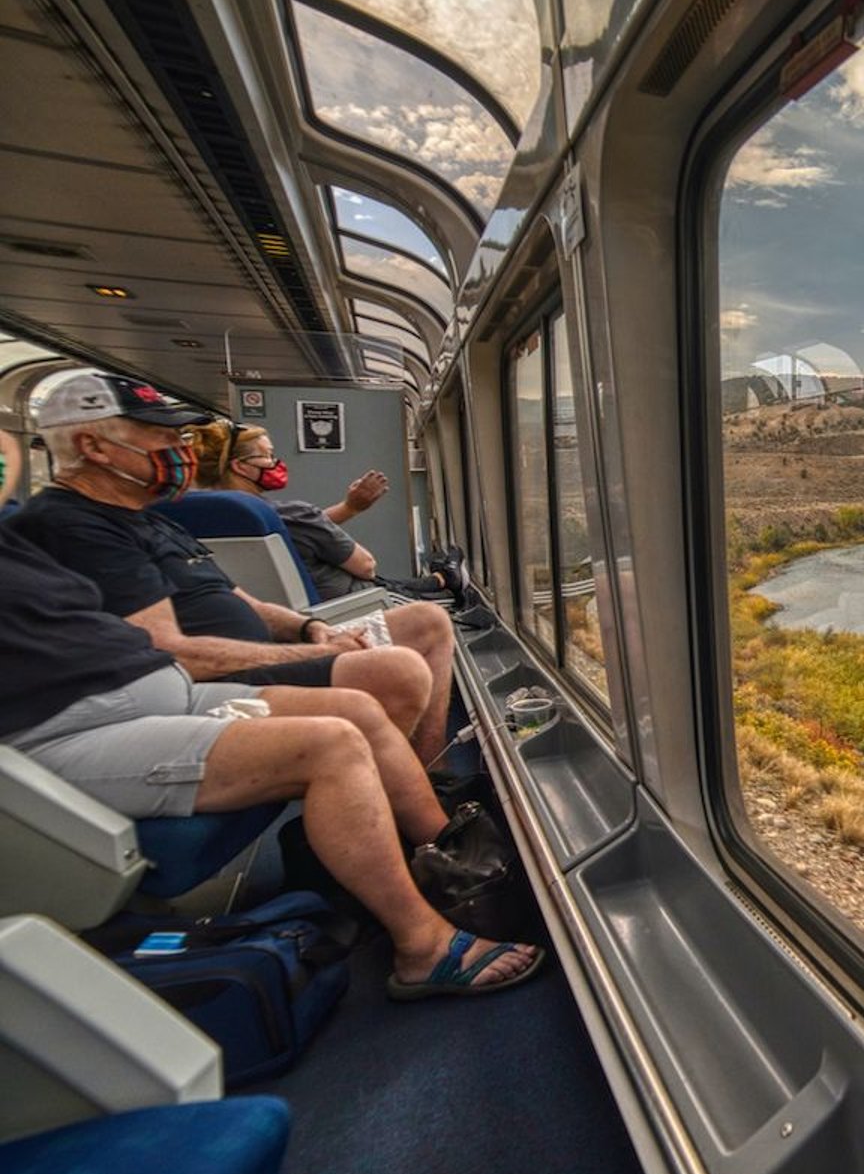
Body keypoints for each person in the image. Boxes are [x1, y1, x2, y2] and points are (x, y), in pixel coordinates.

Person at [0, 530, 542, 998]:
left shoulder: (22, 546)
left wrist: (307, 631)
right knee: (331, 745)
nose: (171, 451)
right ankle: (422, 947)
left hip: (163, 693)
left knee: (357, 710)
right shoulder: (61, 526)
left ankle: (463, 870)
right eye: (151, 438)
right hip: (66, 730)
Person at [7, 373, 453, 766]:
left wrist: (308, 628)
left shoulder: (155, 514)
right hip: (225, 669)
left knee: (424, 620)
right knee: (409, 651)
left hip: (278, 637)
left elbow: (236, 598)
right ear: (94, 448)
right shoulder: (73, 526)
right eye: (161, 437)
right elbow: (166, 648)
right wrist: (315, 648)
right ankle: (427, 776)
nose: (179, 449)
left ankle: (427, 776)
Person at [192, 421, 465, 604]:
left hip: (272, 613)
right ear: (241, 467)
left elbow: (295, 529)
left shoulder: (195, 517)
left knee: (400, 583)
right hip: (348, 608)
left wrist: (350, 508)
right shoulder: (291, 514)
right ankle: (446, 581)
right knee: (419, 603)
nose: (275, 463)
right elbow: (367, 567)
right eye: (268, 456)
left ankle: (441, 578)